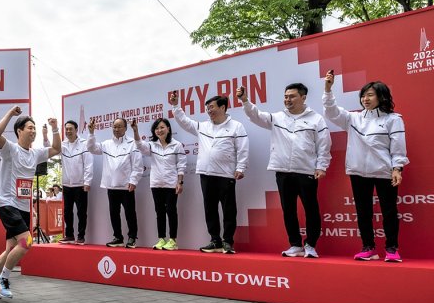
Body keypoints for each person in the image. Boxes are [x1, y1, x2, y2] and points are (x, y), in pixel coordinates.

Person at [323, 71, 409, 262]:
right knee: (363, 213)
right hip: (358, 172)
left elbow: (398, 147)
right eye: (363, 95)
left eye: (370, 94)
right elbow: (331, 112)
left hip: (384, 172)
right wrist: (328, 89)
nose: (365, 98)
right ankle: (368, 248)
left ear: (381, 96)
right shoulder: (353, 118)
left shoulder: (393, 119)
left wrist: (397, 168)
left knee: (389, 212)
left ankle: (392, 249)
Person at [237, 83, 331, 258]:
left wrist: (321, 166)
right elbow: (256, 116)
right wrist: (245, 101)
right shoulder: (277, 117)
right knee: (288, 210)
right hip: (282, 171)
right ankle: (295, 244)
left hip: (307, 171)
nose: (288, 99)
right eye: (286, 96)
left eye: (292, 96)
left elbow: (324, 145)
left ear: (303, 98)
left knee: (311, 209)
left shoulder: (316, 119)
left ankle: (310, 245)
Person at [0, 106, 60, 300]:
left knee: (9, 251)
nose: (33, 131)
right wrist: (10, 114)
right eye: (29, 127)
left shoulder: (36, 153)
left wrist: (55, 129)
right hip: (8, 204)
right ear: (19, 131)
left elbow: (56, 149)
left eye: (34, 128)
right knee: (27, 241)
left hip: (23, 208)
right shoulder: (10, 149)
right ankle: (3, 279)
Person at [170, 92, 249, 254]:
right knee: (210, 209)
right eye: (207, 108)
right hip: (206, 174)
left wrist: (241, 167)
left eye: (211, 107)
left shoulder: (236, 126)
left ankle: (228, 241)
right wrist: (176, 106)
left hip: (226, 175)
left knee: (229, 210)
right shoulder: (203, 126)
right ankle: (215, 240)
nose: (209, 110)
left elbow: (243, 148)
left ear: (223, 107)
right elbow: (184, 122)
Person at [87, 117, 143, 248]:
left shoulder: (133, 143)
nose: (116, 129)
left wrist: (133, 180)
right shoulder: (106, 144)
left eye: (119, 126)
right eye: (114, 126)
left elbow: (138, 165)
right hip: (111, 185)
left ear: (125, 128)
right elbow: (91, 148)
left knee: (130, 213)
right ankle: (118, 237)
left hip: (126, 186)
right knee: (114, 213)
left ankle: (132, 237)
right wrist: (91, 133)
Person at [132, 117, 187, 251]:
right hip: (156, 183)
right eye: (157, 128)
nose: (159, 130)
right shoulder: (152, 145)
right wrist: (135, 130)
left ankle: (173, 240)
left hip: (171, 183)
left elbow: (181, 165)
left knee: (171, 211)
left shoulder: (177, 145)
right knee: (160, 212)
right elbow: (140, 145)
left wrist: (180, 182)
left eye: (162, 127)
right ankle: (161, 239)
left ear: (168, 129)